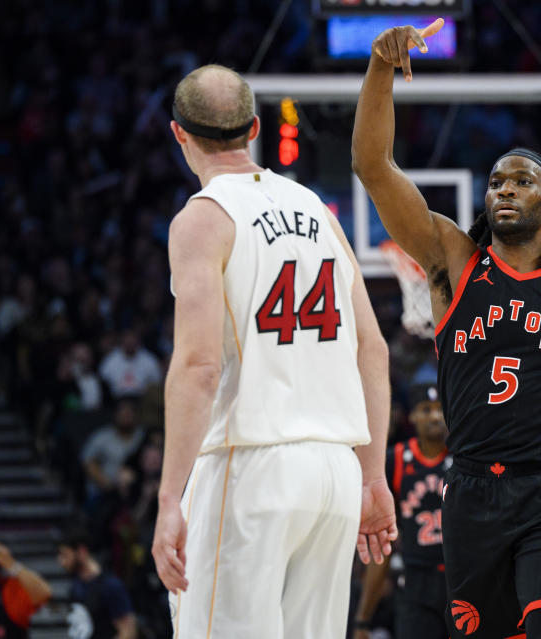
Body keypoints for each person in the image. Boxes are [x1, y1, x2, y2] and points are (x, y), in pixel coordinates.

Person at [352, 21, 541, 639]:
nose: (505, 190)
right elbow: (372, 164)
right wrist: (381, 68)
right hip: (471, 492)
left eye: (523, 181)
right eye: (497, 181)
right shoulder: (453, 262)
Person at [150, 64, 396, 638]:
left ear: (178, 134)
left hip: (253, 464)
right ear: (255, 127)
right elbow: (373, 349)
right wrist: (372, 475)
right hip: (334, 472)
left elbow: (199, 365)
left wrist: (169, 499)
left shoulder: (203, 218)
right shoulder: (316, 208)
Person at [353, 382, 452, 639]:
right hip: (415, 582)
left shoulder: (464, 457)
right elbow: (382, 538)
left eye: (440, 409)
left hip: (460, 579)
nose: (435, 416)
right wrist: (363, 619)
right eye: (426, 409)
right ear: (412, 416)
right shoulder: (395, 459)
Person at [57, 530, 137, 639]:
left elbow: (128, 632)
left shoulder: (110, 586)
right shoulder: (75, 586)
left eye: (65, 555)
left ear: (81, 551)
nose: (62, 562)